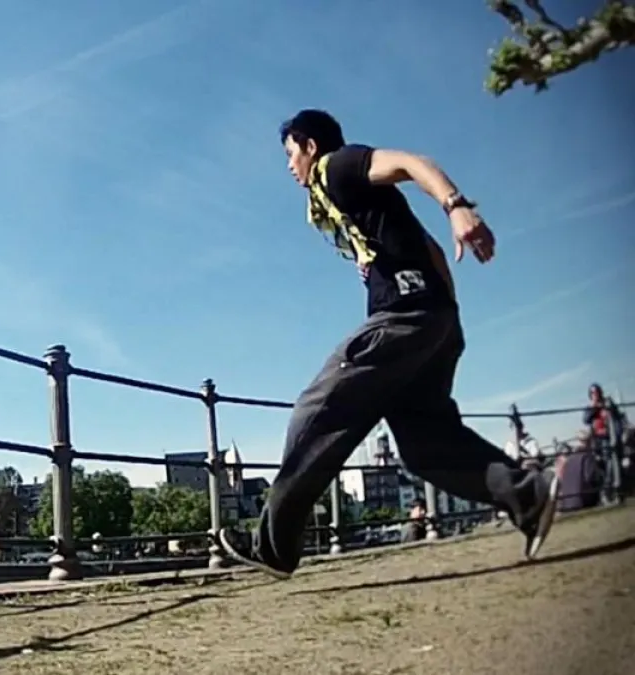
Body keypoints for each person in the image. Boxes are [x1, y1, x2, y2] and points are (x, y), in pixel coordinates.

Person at [219, 109, 561, 581]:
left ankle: (273, 547)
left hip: (403, 316)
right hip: (434, 319)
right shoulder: (361, 213)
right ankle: (528, 493)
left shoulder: (338, 167)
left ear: (309, 146)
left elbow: (410, 162)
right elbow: (431, 250)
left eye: (290, 154)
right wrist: (447, 319)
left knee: (318, 410)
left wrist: (455, 204)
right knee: (425, 445)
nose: (289, 167)